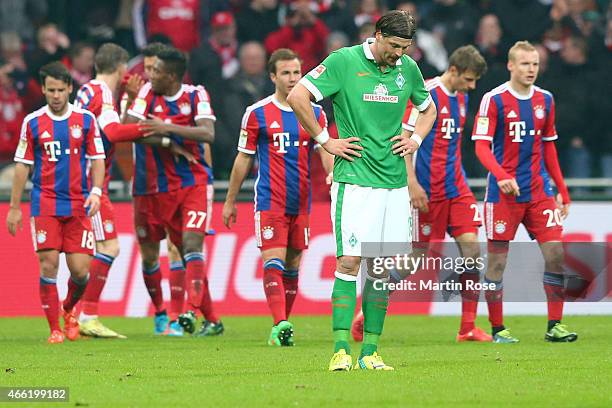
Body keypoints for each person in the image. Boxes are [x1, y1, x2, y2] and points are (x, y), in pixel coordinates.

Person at [287, 10, 437, 370]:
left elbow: (427, 108)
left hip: (394, 184)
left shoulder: (408, 69)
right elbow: (297, 96)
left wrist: (414, 138)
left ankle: (370, 352)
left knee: (382, 269)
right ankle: (340, 350)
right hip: (354, 180)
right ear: (378, 34)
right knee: (349, 262)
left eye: (405, 48)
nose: (399, 54)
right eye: (395, 46)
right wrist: (326, 141)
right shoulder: (344, 60)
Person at [349, 45, 490, 343]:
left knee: (473, 251)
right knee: (415, 258)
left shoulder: (461, 99)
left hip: (456, 189)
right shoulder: (426, 94)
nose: (472, 86)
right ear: (452, 70)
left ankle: (467, 328)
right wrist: (411, 182)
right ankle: (368, 308)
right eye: (468, 79)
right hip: (427, 190)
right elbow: (403, 139)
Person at [222, 48, 333, 347]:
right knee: (274, 260)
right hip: (270, 200)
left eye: (296, 72)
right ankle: (279, 323)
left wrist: (332, 176)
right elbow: (243, 159)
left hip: (302, 201)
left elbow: (325, 150)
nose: (292, 78)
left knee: (294, 265)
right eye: (285, 73)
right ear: (272, 76)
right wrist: (230, 200)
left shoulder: (316, 112)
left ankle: (283, 325)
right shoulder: (257, 113)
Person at [472, 41, 575, 343]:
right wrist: (502, 176)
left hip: (539, 191)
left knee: (555, 254)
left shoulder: (546, 99)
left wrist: (563, 190)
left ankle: (555, 325)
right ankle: (497, 328)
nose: (531, 69)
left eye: (535, 64)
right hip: (503, 195)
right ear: (511, 66)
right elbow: (480, 146)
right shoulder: (494, 100)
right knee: (497, 262)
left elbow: (549, 147)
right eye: (526, 64)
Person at [6, 61, 105, 343]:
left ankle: (69, 308)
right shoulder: (33, 122)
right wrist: (15, 208)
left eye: (61, 90)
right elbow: (23, 166)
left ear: (70, 88)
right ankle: (55, 329)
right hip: (45, 202)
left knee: (80, 271)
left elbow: (97, 159)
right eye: (51, 90)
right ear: (44, 90)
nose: (56, 95)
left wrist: (96, 191)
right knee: (48, 265)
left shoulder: (85, 120)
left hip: (78, 205)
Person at [129, 47, 223, 337]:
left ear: (170, 76)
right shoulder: (147, 91)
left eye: (155, 71)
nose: (149, 74)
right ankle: (212, 319)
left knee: (193, 245)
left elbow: (207, 133)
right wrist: (171, 142)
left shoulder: (196, 94)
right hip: (161, 188)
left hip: (193, 181)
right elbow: (132, 127)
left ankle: (189, 311)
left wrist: (165, 126)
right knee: (182, 249)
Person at [74, 43, 150, 339]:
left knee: (92, 249)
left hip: (84, 179)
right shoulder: (102, 93)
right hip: (87, 182)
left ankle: (77, 314)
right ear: (122, 68)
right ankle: (86, 315)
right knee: (108, 247)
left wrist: (131, 103)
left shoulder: (89, 91)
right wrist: (156, 128)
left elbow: (110, 127)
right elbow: (115, 133)